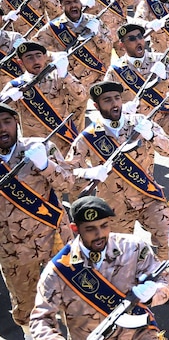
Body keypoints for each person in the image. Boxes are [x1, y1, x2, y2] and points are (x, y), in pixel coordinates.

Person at [31, 196, 169, 339]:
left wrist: (154, 293)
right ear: (75, 229)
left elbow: (163, 280)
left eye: (104, 226)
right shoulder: (59, 269)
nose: (99, 235)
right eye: (90, 229)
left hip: (139, 334)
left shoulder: (133, 247)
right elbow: (41, 319)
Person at [67, 81, 169, 260]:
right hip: (114, 206)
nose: (115, 104)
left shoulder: (140, 122)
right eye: (107, 100)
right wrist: (89, 173)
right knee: (119, 256)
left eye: (117, 98)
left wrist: (152, 135)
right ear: (96, 106)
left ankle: (158, 277)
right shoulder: (89, 137)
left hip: (149, 197)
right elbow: (68, 173)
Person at [0, 102, 73, 339]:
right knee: (26, 307)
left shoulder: (41, 147)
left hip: (55, 240)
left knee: (72, 297)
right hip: (13, 251)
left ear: (17, 123)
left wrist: (46, 165)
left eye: (7, 121)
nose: (2, 128)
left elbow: (69, 184)